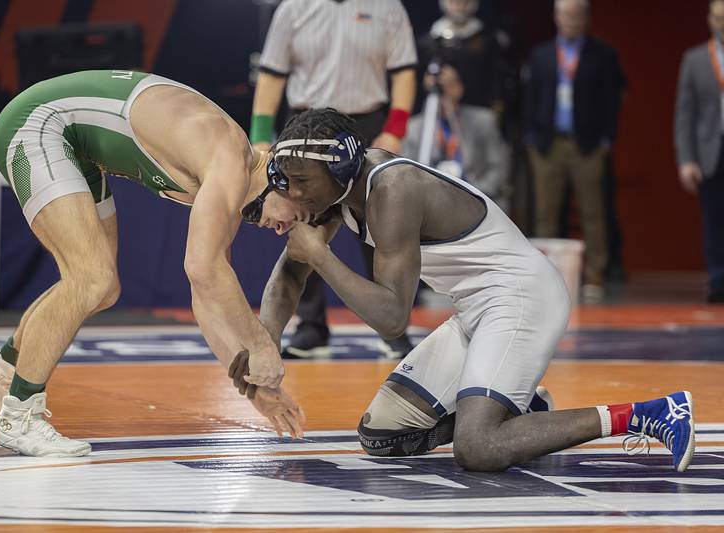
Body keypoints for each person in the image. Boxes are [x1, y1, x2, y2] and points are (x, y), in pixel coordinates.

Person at [250, 107, 695, 472]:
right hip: (475, 310)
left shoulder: (393, 190)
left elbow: (391, 319)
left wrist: (322, 256)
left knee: (478, 447)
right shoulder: (335, 190)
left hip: (521, 297)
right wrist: (264, 348)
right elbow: (289, 275)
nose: (295, 194)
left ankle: (650, 413)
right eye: (289, 180)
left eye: (303, 181)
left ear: (341, 167)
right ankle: (520, 410)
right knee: (383, 434)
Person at [0, 70, 306, 457]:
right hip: (38, 123)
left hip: (72, 142)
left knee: (104, 288)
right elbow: (203, 270)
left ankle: (3, 369)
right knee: (90, 278)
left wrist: (252, 388)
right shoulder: (228, 158)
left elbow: (206, 297)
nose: (283, 229)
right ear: (286, 181)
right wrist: (261, 346)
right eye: (297, 215)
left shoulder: (231, 179)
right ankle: (18, 417)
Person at [250, 0, 417, 358]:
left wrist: (396, 129)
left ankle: (392, 327)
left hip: (364, 123)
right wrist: (261, 136)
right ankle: (311, 326)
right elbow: (272, 73)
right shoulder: (293, 8)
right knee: (299, 220)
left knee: (381, 223)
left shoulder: (387, 7)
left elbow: (403, 71)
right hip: (305, 129)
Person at [522, 0, 622, 302]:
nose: (572, 21)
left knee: (594, 213)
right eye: (567, 15)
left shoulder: (602, 54)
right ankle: (546, 277)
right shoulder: (540, 55)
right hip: (547, 145)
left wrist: (606, 140)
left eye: (578, 15)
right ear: (556, 16)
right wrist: (531, 140)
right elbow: (528, 99)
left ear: (586, 18)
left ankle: (594, 276)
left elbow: (612, 99)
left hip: (587, 145)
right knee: (545, 214)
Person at [404, 64, 511, 211]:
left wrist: (475, 195)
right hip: (432, 205)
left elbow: (499, 167)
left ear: (459, 88)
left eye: (447, 85)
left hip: (477, 200)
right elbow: (407, 174)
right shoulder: (414, 128)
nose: (442, 93)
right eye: (436, 89)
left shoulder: (483, 121)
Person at [674, 0, 724, 303]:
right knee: (714, 219)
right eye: (718, 18)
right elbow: (685, 114)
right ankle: (718, 280)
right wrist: (686, 160)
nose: (723, 24)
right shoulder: (694, 60)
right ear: (709, 20)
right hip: (710, 153)